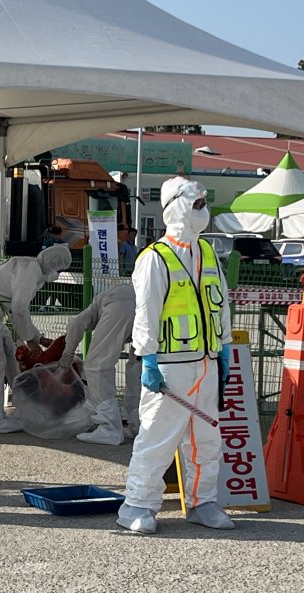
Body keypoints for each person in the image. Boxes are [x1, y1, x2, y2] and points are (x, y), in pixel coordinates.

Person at [116, 176, 233, 534]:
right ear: (175, 208)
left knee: (206, 439)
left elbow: (221, 304)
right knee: (157, 437)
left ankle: (202, 502)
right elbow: (146, 313)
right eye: (195, 204)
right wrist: (147, 359)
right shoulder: (155, 259)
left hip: (206, 362)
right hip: (169, 365)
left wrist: (224, 347)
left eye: (204, 203)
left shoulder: (208, 253)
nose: (203, 210)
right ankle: (136, 505)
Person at [0, 245, 71, 433]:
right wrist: (32, 343)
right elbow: (19, 308)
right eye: (60, 270)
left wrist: (38, 338)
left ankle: (1, 412)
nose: (58, 274)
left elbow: (16, 309)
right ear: (53, 264)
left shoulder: (27, 265)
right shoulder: (32, 269)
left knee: (1, 357)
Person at [56, 284, 141, 445]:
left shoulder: (96, 306)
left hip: (121, 305)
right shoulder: (112, 294)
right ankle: (136, 425)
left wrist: (68, 355)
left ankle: (109, 428)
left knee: (96, 366)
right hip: (149, 305)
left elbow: (75, 325)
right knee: (137, 367)